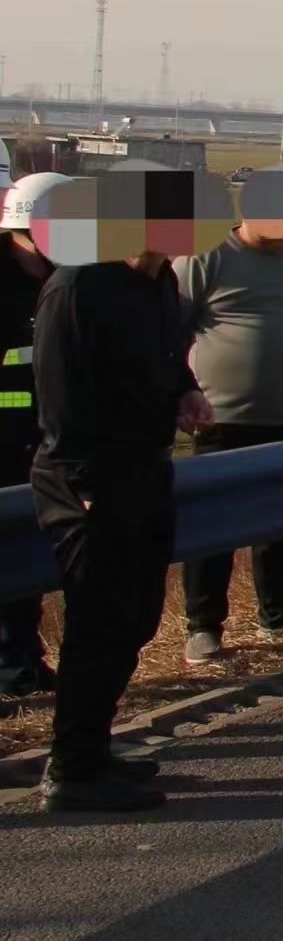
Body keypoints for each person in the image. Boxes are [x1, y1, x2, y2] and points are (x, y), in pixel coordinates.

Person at [27, 166, 224, 812]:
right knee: (98, 622)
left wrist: (185, 393)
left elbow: (169, 354)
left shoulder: (159, 282)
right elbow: (60, 400)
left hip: (145, 471)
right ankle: (72, 769)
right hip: (90, 480)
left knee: (135, 617)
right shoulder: (78, 287)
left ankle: (94, 749)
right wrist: (90, 485)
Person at [175, 166, 283, 665]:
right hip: (223, 418)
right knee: (214, 526)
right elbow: (169, 330)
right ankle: (204, 626)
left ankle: (280, 615)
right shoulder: (207, 259)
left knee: (282, 522)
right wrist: (181, 392)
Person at [0, 169, 69, 702]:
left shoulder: (67, 281)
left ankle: (25, 657)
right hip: (6, 440)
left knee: (30, 556)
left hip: (45, 442)